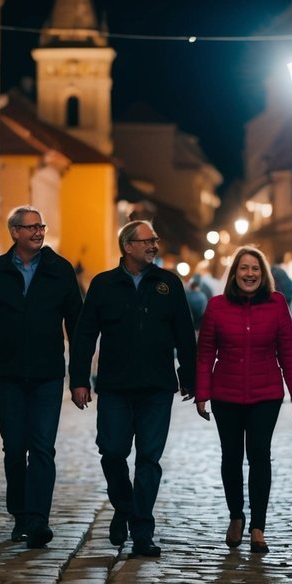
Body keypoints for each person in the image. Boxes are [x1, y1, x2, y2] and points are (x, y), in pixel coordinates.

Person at [70, 220, 197, 558]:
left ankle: (142, 531)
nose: (154, 246)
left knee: (149, 459)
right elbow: (84, 335)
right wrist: (80, 379)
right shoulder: (104, 284)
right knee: (111, 452)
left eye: (155, 240)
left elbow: (184, 334)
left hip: (157, 386)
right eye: (147, 241)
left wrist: (190, 376)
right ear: (128, 246)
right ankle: (124, 506)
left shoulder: (168, 284)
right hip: (114, 385)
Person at [0, 207, 82, 548]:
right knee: (15, 448)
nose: (38, 232)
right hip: (9, 374)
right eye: (30, 227)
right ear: (14, 232)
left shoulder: (60, 271)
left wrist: (79, 378)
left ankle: (37, 519)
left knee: (43, 447)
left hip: (47, 374)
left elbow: (77, 327)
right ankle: (20, 513)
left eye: (41, 226)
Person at [194, 246, 292, 553]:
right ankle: (236, 516)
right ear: (235, 273)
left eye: (255, 268)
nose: (250, 274)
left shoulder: (276, 304)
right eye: (244, 268)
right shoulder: (216, 306)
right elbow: (205, 354)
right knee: (231, 457)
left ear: (263, 273)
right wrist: (202, 393)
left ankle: (258, 526)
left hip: (265, 395)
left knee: (259, 456)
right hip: (225, 395)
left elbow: (288, 352)